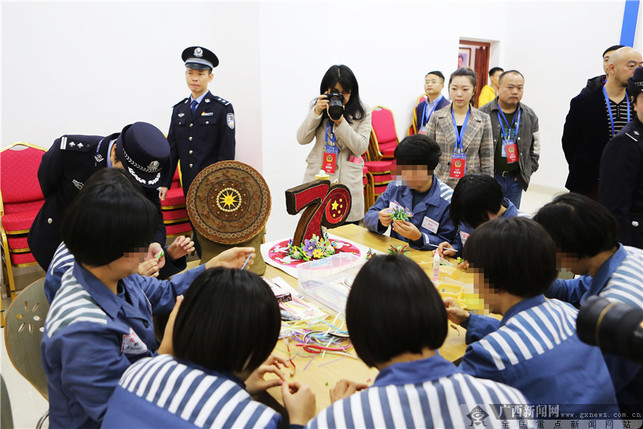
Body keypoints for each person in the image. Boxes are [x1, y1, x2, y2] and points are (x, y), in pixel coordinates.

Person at [41, 169, 255, 429]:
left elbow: (163, 293)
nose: (147, 250)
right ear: (115, 248)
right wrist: (168, 349)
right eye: (142, 243)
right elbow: (123, 413)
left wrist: (212, 266)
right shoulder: (81, 331)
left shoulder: (111, 273)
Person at [307, 254, 530, 428]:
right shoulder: (509, 402)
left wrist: (344, 413)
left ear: (360, 336)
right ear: (435, 312)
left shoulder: (339, 420)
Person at [102, 267, 316, 428]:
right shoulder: (254, 421)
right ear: (260, 349)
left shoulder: (138, 371)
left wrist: (236, 386)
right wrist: (299, 420)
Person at [445, 217, 619, 413]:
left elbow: (445, 407)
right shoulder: (569, 312)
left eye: (473, 272)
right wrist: (469, 319)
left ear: (490, 277)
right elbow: (529, 337)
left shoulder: (490, 355)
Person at [28, 122, 190, 279]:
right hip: (58, 239)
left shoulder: (144, 168)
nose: (132, 184)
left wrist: (153, 243)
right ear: (114, 153)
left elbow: (153, 213)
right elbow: (48, 185)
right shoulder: (71, 151)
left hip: (108, 250)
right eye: (128, 177)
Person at [533, 193, 642, 410]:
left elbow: (589, 383)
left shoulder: (614, 307)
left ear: (571, 250)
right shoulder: (627, 254)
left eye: (551, 250)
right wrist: (532, 280)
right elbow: (574, 289)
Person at [161, 46, 236, 257]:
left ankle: (220, 264)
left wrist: (223, 180)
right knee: (196, 225)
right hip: (189, 181)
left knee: (215, 226)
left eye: (200, 74)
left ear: (210, 77)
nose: (195, 78)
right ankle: (205, 263)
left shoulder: (222, 108)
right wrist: (166, 182)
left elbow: (227, 149)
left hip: (213, 182)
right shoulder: (179, 110)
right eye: (190, 73)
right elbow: (172, 149)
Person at [562, 46, 642, 199]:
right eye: (631, 66)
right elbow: (569, 142)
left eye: (641, 66)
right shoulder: (584, 102)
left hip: (628, 181)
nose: (637, 71)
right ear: (611, 68)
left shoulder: (637, 103)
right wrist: (583, 168)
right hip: (590, 183)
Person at [297, 64, 371, 223]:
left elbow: (361, 147)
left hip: (348, 183)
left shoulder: (363, 112)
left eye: (345, 92)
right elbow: (302, 139)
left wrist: (340, 121)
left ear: (353, 91)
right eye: (335, 92)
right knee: (315, 237)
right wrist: (316, 113)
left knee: (350, 238)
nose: (341, 96)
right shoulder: (318, 108)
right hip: (319, 180)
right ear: (326, 91)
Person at [363, 134, 457, 250]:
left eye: (410, 171)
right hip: (396, 253)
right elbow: (369, 217)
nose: (403, 175)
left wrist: (420, 238)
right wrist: (379, 219)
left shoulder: (448, 200)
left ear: (428, 168)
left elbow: (449, 244)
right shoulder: (396, 186)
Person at [479, 70, 540, 208]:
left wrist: (527, 170)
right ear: (498, 87)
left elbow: (535, 147)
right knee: (487, 218)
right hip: (489, 177)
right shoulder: (483, 113)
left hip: (515, 180)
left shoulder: (529, 115)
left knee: (510, 221)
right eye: (510, 87)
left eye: (519, 88)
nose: (515, 91)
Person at [426, 68, 493, 189]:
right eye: (454, 88)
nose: (459, 94)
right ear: (448, 89)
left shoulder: (483, 119)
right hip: (441, 182)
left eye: (465, 89)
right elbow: (427, 153)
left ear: (473, 91)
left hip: (472, 184)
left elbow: (487, 157)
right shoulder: (437, 117)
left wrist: (488, 187)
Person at [600, 66, 643, 248]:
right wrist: (624, 253)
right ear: (634, 102)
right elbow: (614, 208)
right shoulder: (625, 143)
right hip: (636, 242)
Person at [437, 174, 523, 258]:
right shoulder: (469, 211)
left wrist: (481, 265)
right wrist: (454, 249)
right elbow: (462, 242)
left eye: (475, 222)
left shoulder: (516, 231)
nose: (471, 226)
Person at [411, 71, 450, 135]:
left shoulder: (447, 106)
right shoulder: (421, 106)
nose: (429, 84)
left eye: (433, 82)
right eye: (427, 82)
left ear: (442, 86)